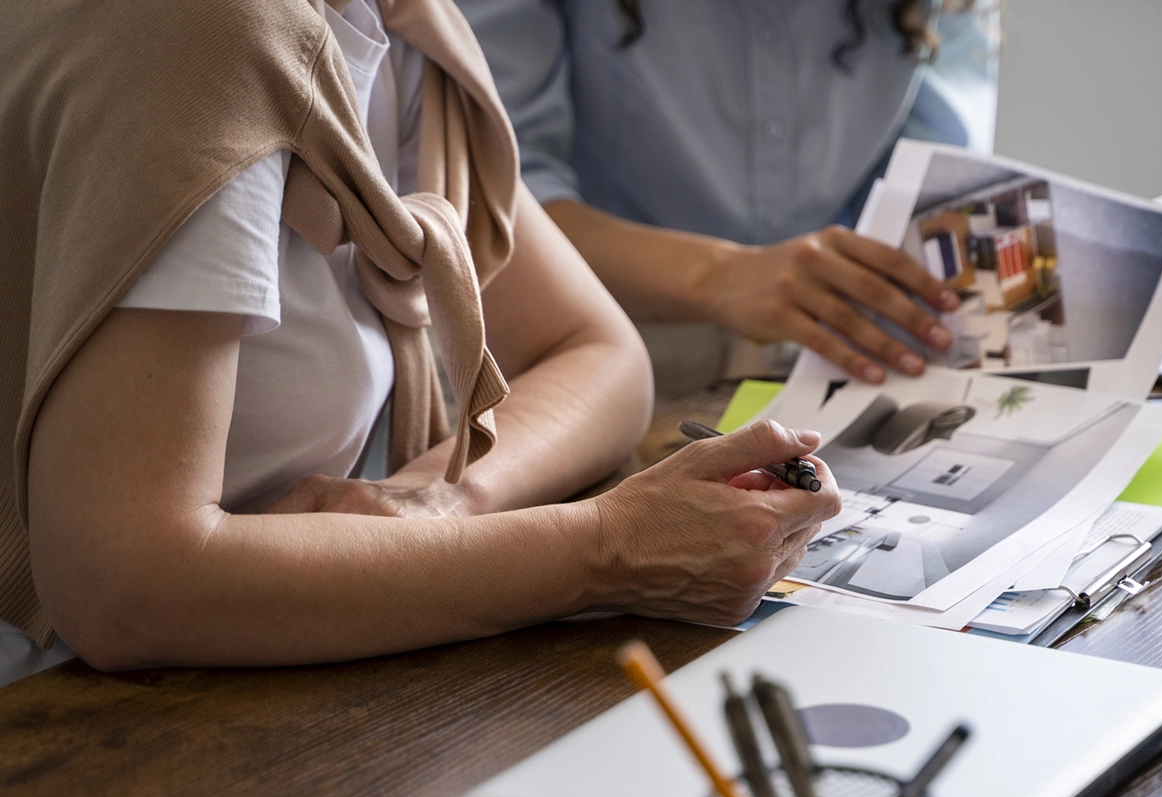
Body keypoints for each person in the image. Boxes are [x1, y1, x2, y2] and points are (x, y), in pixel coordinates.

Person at [0, 0, 840, 683]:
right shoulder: (204, 32)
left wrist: (440, 501)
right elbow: (124, 592)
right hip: (63, 717)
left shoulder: (400, 23)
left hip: (264, 670)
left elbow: (599, 351)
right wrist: (607, 548)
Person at [460, 0, 998, 384]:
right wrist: (723, 277)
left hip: (822, 362)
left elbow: (925, 170)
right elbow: (485, 202)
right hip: (583, 350)